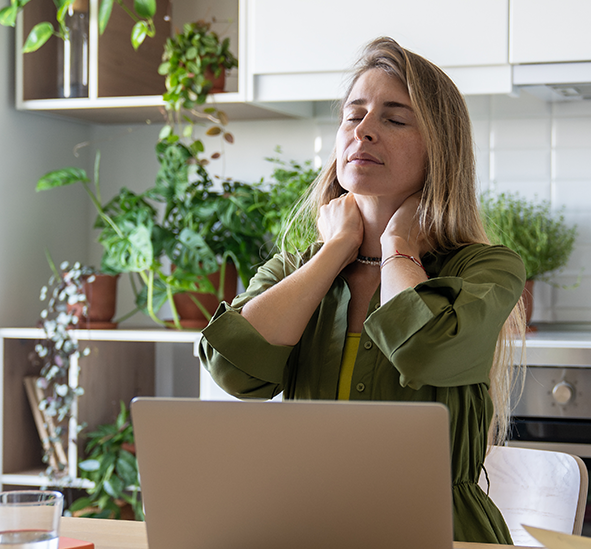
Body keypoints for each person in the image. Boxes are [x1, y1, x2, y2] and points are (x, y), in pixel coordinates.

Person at [198, 36, 526, 545]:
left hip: (437, 531)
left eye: (394, 119)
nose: (364, 131)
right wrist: (334, 251)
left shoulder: (487, 270)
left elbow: (425, 347)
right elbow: (234, 369)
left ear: (441, 149)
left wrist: (397, 244)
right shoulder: (295, 269)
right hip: (311, 526)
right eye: (353, 117)